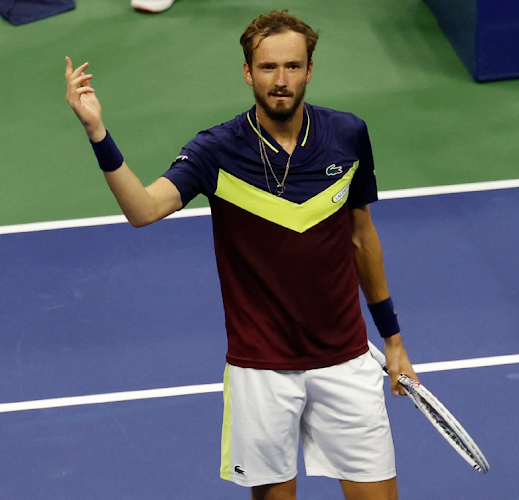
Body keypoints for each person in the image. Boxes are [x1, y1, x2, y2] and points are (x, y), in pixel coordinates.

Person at [64, 9, 417, 500]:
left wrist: (393, 338)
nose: (281, 80)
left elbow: (362, 238)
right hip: (261, 370)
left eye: (293, 66)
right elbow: (143, 209)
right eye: (268, 68)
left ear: (310, 70)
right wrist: (97, 132)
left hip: (345, 360)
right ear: (248, 72)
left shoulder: (348, 135)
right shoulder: (216, 151)